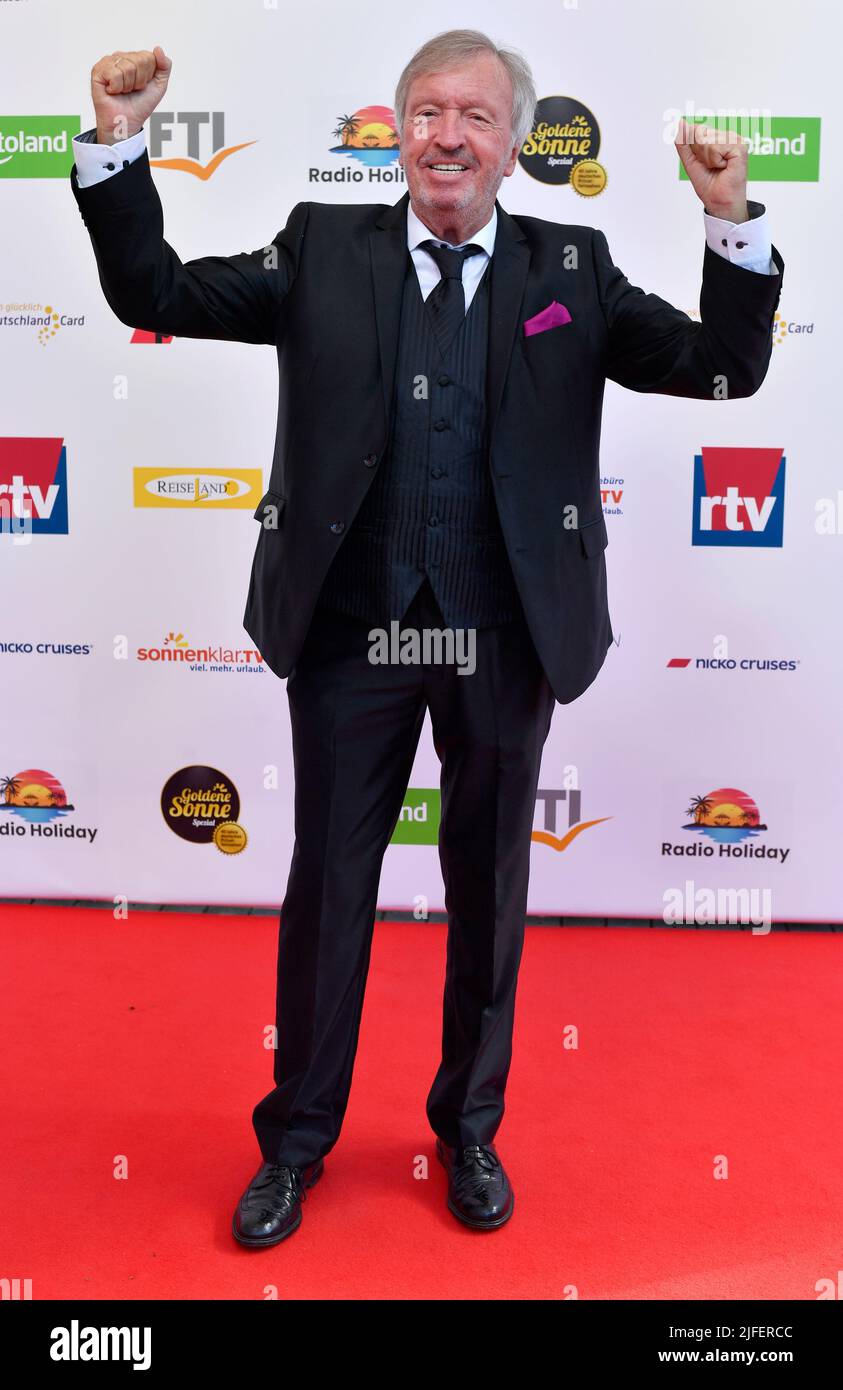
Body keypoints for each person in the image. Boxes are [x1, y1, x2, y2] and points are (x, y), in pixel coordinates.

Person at [71, 29, 784, 1246]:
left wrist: (732, 219)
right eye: (426, 113)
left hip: (503, 633)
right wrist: (117, 142)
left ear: (514, 146)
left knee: (487, 891)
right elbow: (157, 291)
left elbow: (726, 369)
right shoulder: (321, 246)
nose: (449, 135)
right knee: (329, 888)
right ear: (396, 131)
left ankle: (468, 1129)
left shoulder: (575, 263)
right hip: (355, 629)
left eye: (477, 116)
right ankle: (296, 1142)